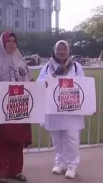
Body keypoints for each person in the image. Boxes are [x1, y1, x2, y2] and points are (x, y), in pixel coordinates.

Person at [0, 31, 32, 183]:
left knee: (18, 140)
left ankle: (16, 171)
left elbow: (28, 81)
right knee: (2, 140)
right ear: (2, 43)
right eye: (8, 41)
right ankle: (2, 171)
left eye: (14, 41)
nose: (11, 44)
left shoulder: (21, 62)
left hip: (19, 106)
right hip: (1, 108)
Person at [36, 40, 86, 179]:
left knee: (71, 137)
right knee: (57, 138)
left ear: (69, 51)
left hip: (71, 109)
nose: (61, 52)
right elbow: (39, 83)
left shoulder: (76, 67)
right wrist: (54, 76)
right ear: (54, 50)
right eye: (59, 49)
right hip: (53, 108)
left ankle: (72, 165)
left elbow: (83, 85)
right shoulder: (47, 67)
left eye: (64, 49)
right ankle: (60, 162)